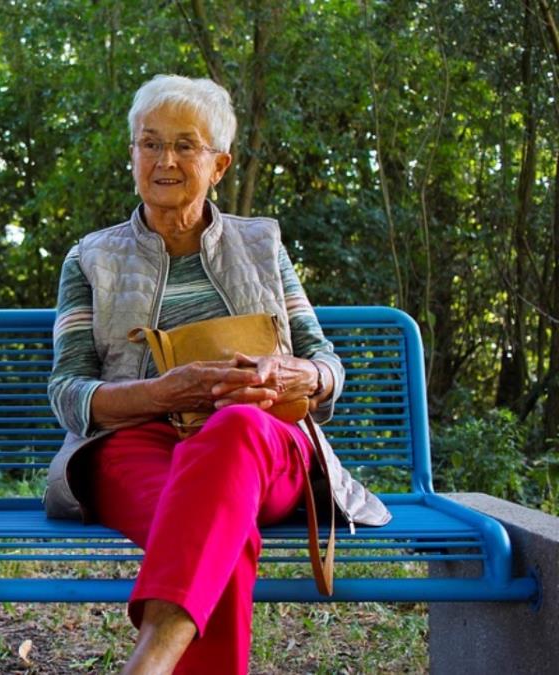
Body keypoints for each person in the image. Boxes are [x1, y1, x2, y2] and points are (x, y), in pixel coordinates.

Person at [44, 74, 391, 675]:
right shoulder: (91, 258)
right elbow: (68, 392)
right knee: (215, 533)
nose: (165, 160)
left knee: (234, 431)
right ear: (133, 154)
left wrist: (298, 376)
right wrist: (161, 393)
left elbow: (327, 363)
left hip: (262, 443)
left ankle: (149, 662)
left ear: (220, 165)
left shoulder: (262, 245)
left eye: (185, 145)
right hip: (136, 443)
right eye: (150, 143)